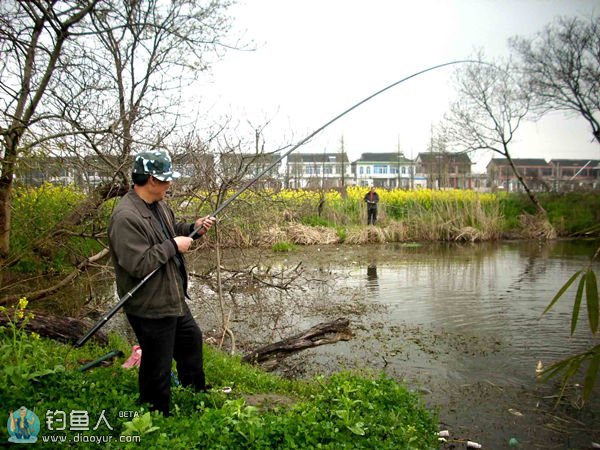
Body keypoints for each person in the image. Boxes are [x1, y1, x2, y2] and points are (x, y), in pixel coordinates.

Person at [108, 149, 216, 417]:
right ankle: (156, 414)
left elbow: (172, 230)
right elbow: (138, 264)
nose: (170, 184)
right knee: (158, 363)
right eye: (166, 179)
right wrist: (172, 246)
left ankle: (196, 394)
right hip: (149, 304)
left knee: (191, 341)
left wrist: (194, 227)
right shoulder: (125, 217)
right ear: (151, 181)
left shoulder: (158, 205)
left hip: (172, 296)